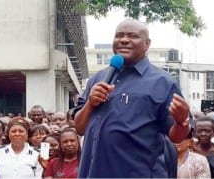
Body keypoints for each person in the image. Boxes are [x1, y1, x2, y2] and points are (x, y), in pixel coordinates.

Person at [73, 19, 190, 178]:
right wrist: (90, 103)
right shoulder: (98, 79)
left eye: (132, 36)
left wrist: (180, 121)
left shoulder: (163, 82)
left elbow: (176, 137)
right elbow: (80, 128)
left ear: (147, 44)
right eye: (119, 35)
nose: (124, 40)